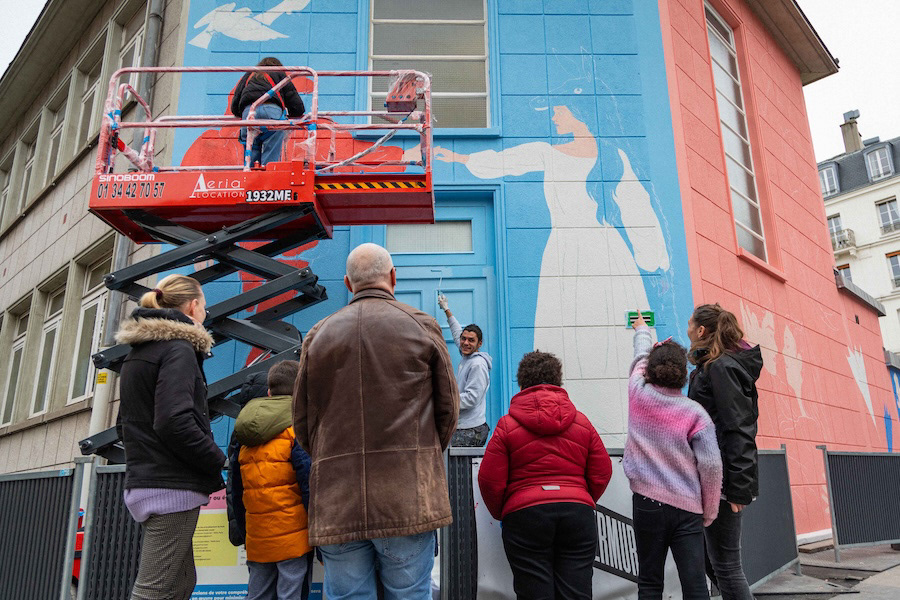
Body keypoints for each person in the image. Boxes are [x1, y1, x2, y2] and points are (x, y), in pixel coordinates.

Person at [292, 243, 460, 600]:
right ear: (393, 278)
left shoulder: (319, 335)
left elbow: (303, 424)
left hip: (339, 501)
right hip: (407, 495)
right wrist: (421, 457)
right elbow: (448, 413)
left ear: (348, 284)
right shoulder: (422, 326)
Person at [116, 274, 225, 600]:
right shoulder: (178, 349)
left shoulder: (139, 352)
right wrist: (218, 459)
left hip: (148, 480)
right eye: (204, 305)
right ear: (193, 306)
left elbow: (124, 424)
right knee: (153, 590)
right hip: (171, 489)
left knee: (180, 584)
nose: (205, 313)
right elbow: (174, 421)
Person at [478, 350, 612, 600]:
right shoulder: (582, 422)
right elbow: (602, 470)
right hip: (576, 514)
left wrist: (505, 510)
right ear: (558, 381)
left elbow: (489, 479)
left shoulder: (507, 425)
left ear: (522, 383)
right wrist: (581, 496)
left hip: (525, 516)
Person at [624, 312, 722, 600]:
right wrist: (710, 509)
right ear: (682, 373)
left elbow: (639, 360)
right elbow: (712, 466)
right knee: (694, 584)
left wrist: (643, 330)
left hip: (646, 502)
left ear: (651, 370)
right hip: (688, 508)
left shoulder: (637, 393)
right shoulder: (695, 413)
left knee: (650, 582)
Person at [686, 303, 763, 600]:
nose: (688, 329)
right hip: (709, 477)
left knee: (727, 567)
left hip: (722, 482)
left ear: (702, 330)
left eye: (691, 324)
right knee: (712, 562)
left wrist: (738, 490)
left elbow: (739, 429)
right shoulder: (710, 367)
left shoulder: (721, 368)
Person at [228, 360, 313, 600]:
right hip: (294, 537)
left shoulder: (243, 431)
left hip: (257, 535)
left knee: (258, 594)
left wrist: (246, 532)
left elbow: (236, 489)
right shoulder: (296, 429)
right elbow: (307, 483)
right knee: (291, 594)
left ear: (268, 392)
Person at [437, 293, 492, 446]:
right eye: (464, 339)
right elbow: (456, 333)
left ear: (479, 344)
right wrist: (447, 309)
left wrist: (446, 402)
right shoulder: (467, 354)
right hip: (465, 426)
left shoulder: (477, 365)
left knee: (459, 469)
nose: (465, 343)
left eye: (471, 340)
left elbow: (472, 398)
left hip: (470, 430)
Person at [230, 56, 306, 166]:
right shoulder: (279, 73)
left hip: (249, 114)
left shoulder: (249, 75)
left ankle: (251, 175)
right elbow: (296, 106)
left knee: (251, 150)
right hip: (271, 112)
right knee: (272, 147)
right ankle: (269, 170)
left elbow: (235, 106)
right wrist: (292, 114)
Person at [226, 370, 268, 547]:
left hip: (251, 522)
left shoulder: (240, 429)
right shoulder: (286, 427)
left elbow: (234, 482)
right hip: (287, 523)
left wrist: (238, 527)